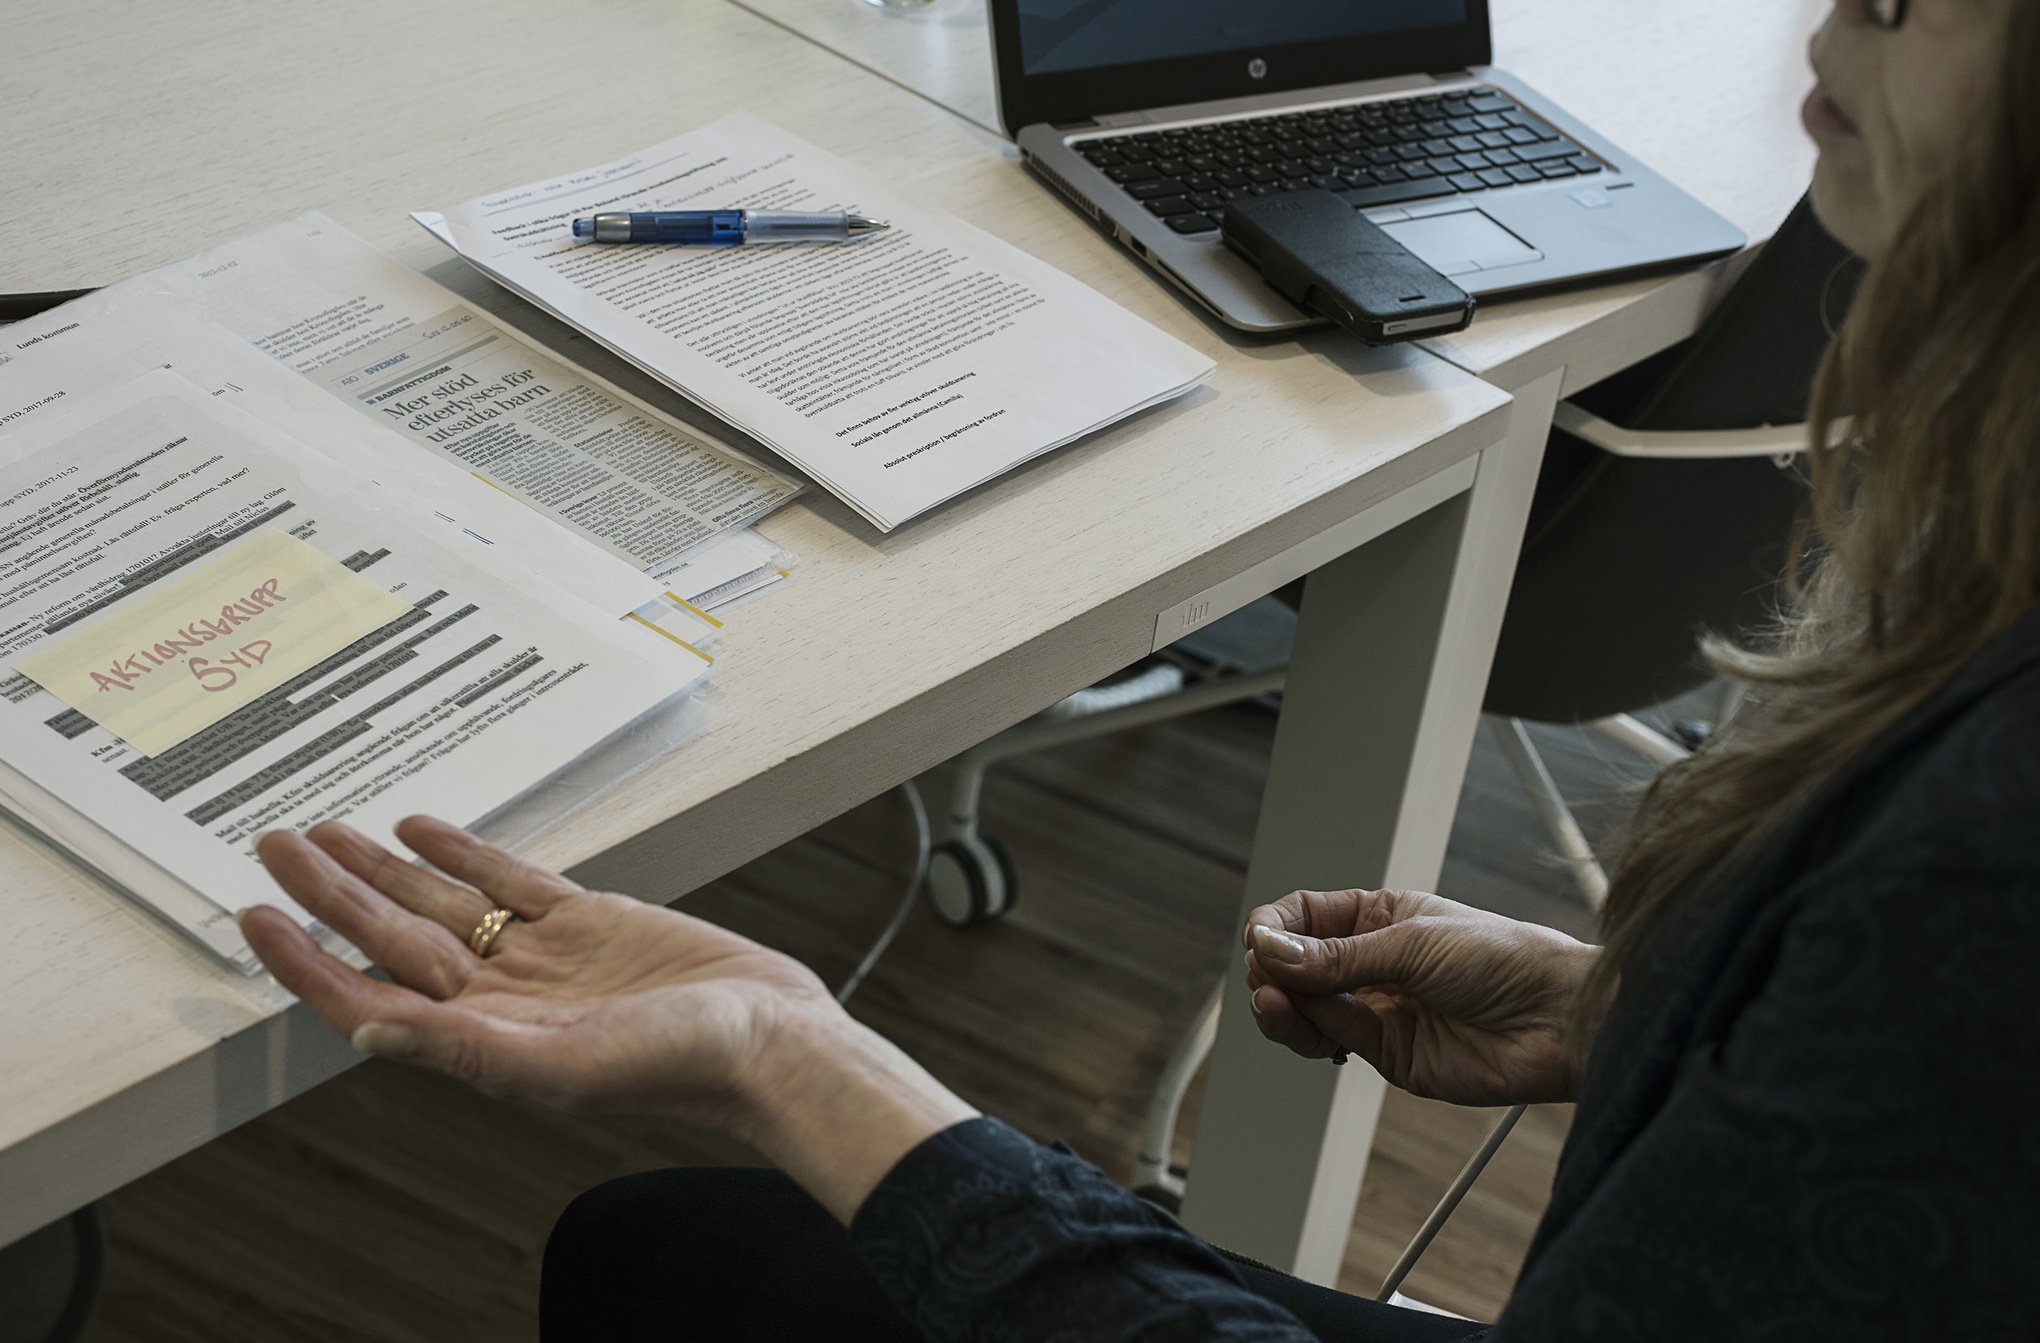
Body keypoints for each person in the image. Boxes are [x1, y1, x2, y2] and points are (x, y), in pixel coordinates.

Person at [239, 0, 2040, 1336]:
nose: (1833, 15)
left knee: (681, 1259)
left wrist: (791, 1056)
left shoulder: (1980, 852)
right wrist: (1650, 1015)